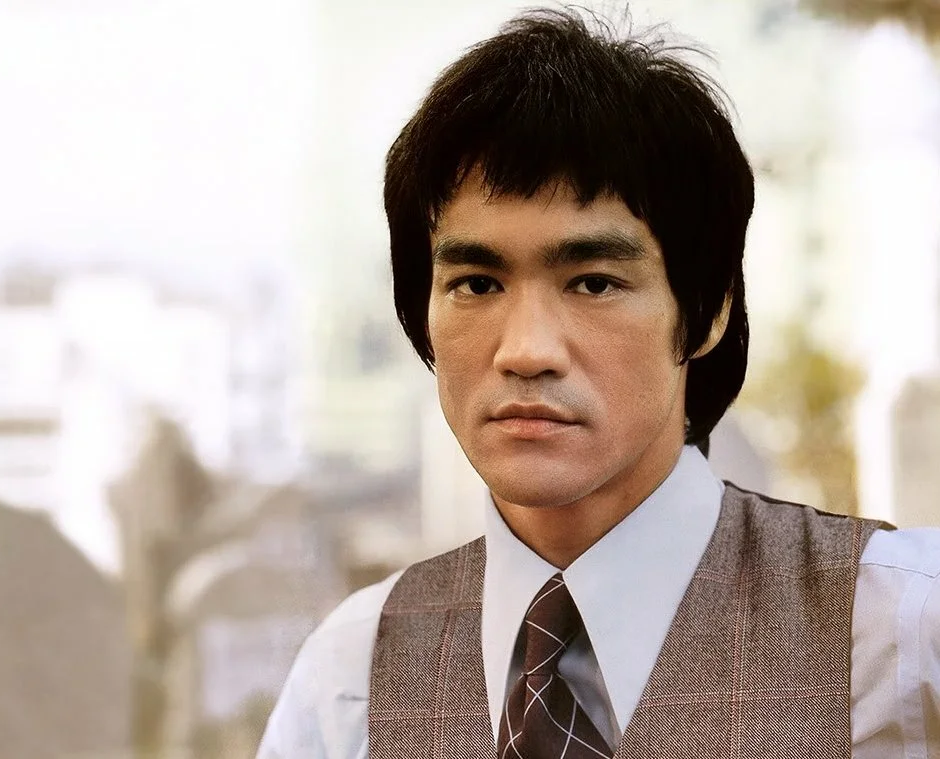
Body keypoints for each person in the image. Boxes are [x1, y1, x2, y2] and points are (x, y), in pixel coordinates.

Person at [259, 7, 939, 758]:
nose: (526, 351)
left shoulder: (901, 630)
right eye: (477, 284)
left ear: (708, 311)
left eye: (593, 282)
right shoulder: (350, 677)